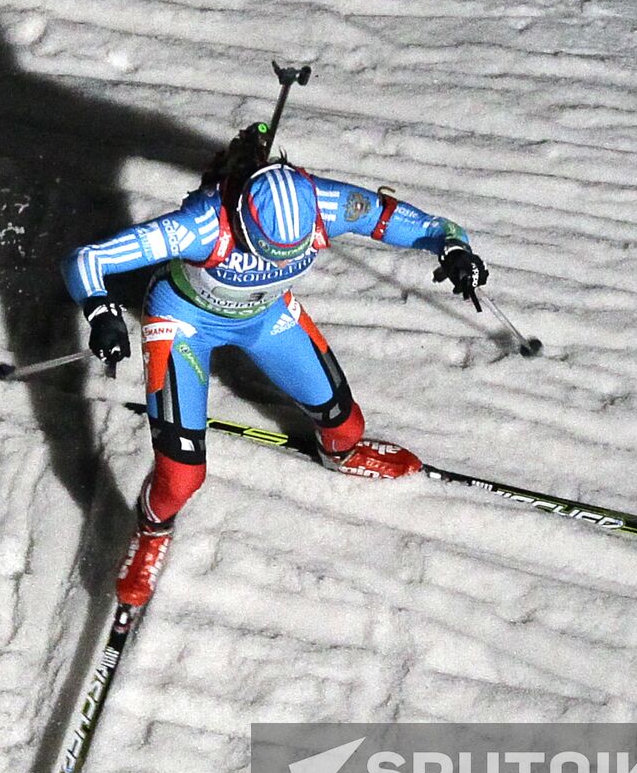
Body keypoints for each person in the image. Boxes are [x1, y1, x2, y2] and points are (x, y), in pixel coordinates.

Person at [61, 134, 488, 607]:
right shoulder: (201, 225)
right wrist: (100, 312)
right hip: (183, 323)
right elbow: (88, 260)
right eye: (265, 252)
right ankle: (152, 530)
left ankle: (339, 455)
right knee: (181, 477)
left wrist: (453, 247)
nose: (275, 261)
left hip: (264, 319)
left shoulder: (325, 201)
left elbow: (416, 223)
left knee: (347, 425)